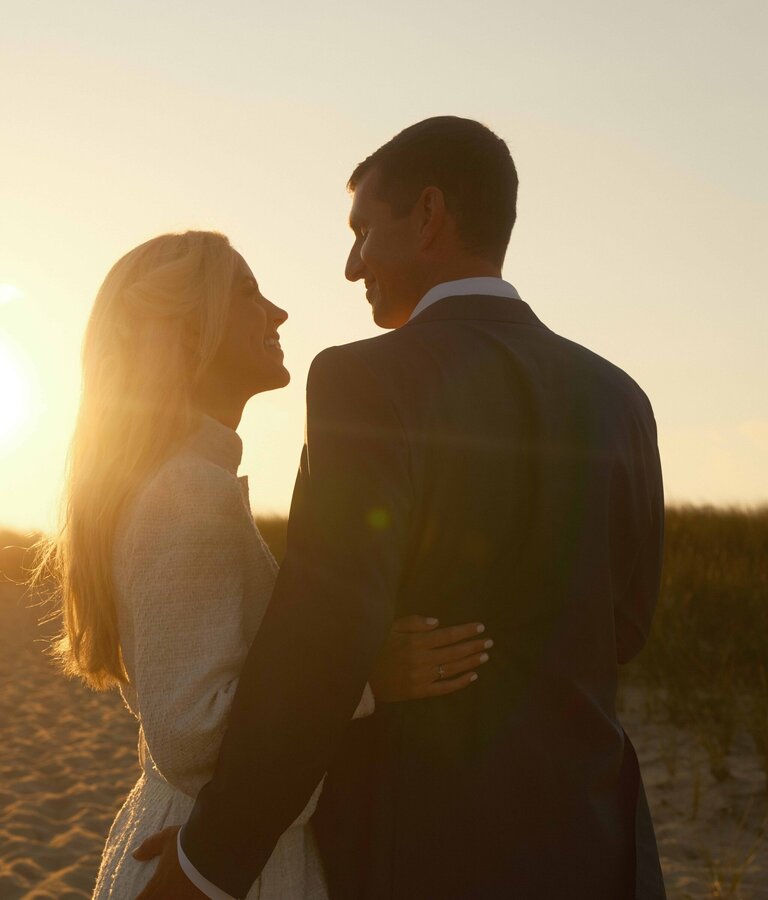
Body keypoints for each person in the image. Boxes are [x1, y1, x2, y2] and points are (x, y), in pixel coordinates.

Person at [132, 117, 666, 899]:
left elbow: (321, 644)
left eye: (362, 232)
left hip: (419, 851)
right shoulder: (622, 398)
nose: (351, 267)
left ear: (427, 216)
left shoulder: (365, 382)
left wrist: (209, 862)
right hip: (592, 843)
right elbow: (626, 625)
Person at [32, 230, 494, 898]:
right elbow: (192, 737)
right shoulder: (187, 490)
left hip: (213, 838)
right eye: (247, 292)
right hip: (220, 859)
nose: (278, 313)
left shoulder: (184, 479)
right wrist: (369, 677)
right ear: (188, 331)